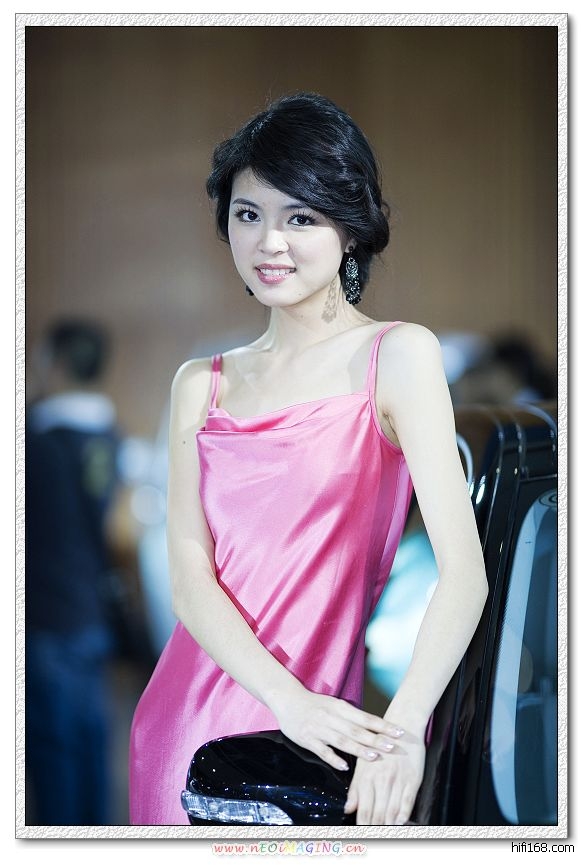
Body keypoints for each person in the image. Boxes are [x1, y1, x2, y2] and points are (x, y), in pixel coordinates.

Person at [129, 93, 488, 826]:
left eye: (300, 218)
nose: (269, 242)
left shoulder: (398, 356)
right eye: (248, 214)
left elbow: (465, 575)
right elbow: (190, 583)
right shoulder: (200, 382)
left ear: (349, 228)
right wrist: (286, 699)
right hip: (186, 736)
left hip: (312, 748)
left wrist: (402, 733)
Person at [26, 320, 119, 825]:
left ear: (57, 364)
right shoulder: (108, 436)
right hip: (93, 612)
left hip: (46, 616)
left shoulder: (35, 443)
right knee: (91, 742)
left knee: (52, 750)